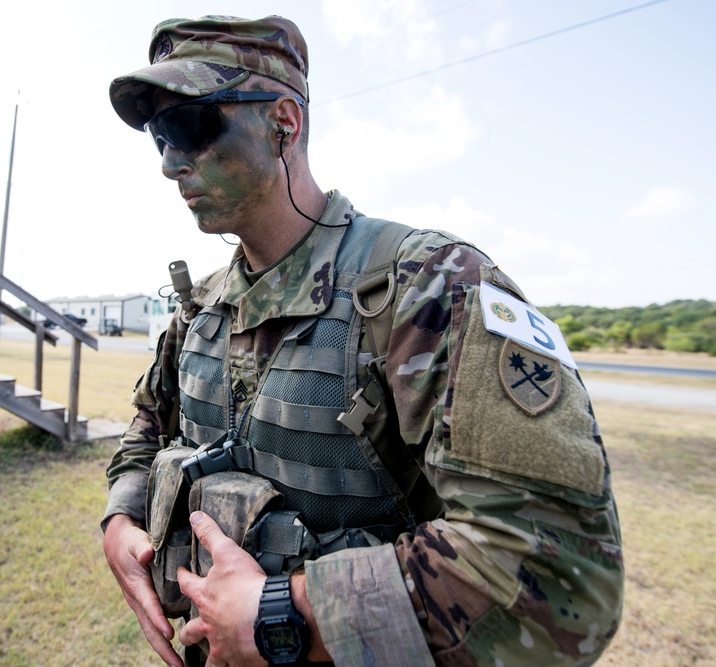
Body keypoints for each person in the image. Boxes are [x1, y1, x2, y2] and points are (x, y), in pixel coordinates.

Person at [103, 15, 623, 667]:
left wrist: (283, 616)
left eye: (187, 127)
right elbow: (150, 423)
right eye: (157, 136)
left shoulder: (431, 288)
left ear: (283, 123)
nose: (170, 162)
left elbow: (561, 574)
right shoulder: (201, 306)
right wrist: (121, 517)